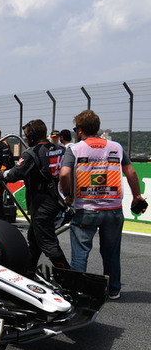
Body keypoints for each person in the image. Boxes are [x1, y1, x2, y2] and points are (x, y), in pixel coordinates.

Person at [59, 110, 148, 300]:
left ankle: (78, 292)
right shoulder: (116, 146)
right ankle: (114, 289)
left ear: (80, 130)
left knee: (80, 253)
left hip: (86, 209)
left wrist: (68, 194)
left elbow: (65, 174)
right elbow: (131, 172)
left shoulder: (74, 149)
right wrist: (137, 196)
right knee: (111, 253)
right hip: (113, 210)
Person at [0, 119, 69, 270]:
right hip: (58, 199)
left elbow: (13, 174)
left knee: (48, 242)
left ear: (33, 136)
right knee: (34, 239)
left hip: (42, 203)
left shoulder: (31, 153)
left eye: (26, 135)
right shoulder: (61, 149)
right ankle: (28, 269)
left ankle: (70, 278)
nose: (25, 138)